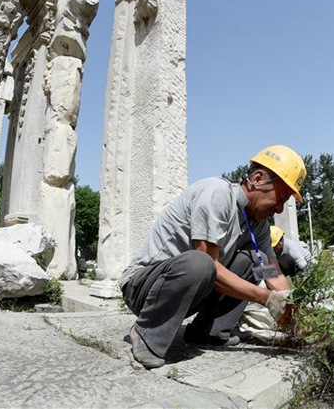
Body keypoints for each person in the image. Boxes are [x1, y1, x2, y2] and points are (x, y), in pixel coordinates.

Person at [119, 144, 307, 369]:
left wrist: (291, 309)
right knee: (201, 263)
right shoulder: (217, 194)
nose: (279, 209)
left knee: (255, 261)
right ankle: (146, 333)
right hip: (144, 289)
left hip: (190, 292)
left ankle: (208, 331)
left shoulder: (258, 225)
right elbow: (210, 265)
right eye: (281, 198)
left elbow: (271, 272)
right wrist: (265, 298)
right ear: (258, 179)